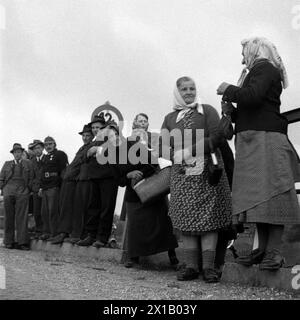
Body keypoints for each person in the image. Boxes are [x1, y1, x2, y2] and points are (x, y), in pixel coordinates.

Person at [217, 37, 300, 270]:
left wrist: (229, 90)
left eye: (244, 53)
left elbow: (252, 97)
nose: (242, 58)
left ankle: (274, 252)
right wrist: (232, 113)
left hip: (266, 138)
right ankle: (263, 250)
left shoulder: (265, 68)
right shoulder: (259, 71)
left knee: (274, 195)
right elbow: (253, 106)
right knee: (260, 199)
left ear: (255, 51)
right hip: (255, 138)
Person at [160, 76, 232, 283]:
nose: (189, 92)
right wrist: (174, 153)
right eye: (184, 89)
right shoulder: (169, 118)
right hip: (182, 173)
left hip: (206, 169)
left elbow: (217, 136)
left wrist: (189, 151)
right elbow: (163, 145)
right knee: (186, 218)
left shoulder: (207, 110)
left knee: (208, 218)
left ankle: (209, 268)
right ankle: (191, 266)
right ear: (177, 92)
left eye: (192, 88)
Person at [97, 121, 179, 268]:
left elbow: (153, 163)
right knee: (135, 227)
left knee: (162, 224)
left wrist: (142, 174)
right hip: (133, 194)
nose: (113, 138)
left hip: (153, 188)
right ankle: (134, 257)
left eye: (115, 134)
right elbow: (117, 180)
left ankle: (173, 258)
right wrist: (129, 175)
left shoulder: (133, 144)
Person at [77, 113, 119, 247]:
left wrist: (98, 150)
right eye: (94, 127)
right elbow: (83, 157)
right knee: (93, 207)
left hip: (109, 178)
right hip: (94, 177)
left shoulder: (112, 138)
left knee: (106, 208)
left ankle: (102, 237)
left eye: (98, 127)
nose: (96, 130)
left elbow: (115, 152)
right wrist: (91, 151)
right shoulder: (93, 142)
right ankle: (91, 235)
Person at [50, 124, 94, 244]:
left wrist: (69, 174)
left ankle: (72, 233)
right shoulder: (82, 148)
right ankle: (64, 232)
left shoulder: (91, 147)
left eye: (88, 135)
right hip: (70, 180)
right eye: (83, 135)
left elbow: (80, 164)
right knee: (66, 207)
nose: (85, 138)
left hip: (77, 180)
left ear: (92, 136)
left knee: (76, 208)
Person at [0, 143, 34, 250]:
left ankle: (22, 242)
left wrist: (28, 190)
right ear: (13, 154)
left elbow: (31, 178)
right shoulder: (7, 164)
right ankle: (8, 241)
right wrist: (4, 190)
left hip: (22, 191)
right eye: (15, 152)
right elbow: (1, 179)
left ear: (22, 153)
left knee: (22, 216)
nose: (17, 154)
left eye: (19, 152)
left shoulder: (28, 164)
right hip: (8, 191)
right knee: (8, 216)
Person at [39, 136, 68, 241]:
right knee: (44, 212)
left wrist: (63, 185)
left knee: (53, 211)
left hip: (54, 186)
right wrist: (41, 187)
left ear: (54, 144)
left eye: (50, 144)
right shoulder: (45, 157)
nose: (48, 146)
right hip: (45, 187)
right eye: (46, 145)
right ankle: (46, 232)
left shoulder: (60, 154)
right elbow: (42, 173)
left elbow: (64, 171)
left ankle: (54, 233)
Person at [29, 139, 46, 239]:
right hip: (35, 190)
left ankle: (46, 231)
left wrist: (42, 187)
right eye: (35, 149)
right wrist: (32, 188)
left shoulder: (47, 159)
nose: (37, 150)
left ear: (42, 148)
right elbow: (31, 176)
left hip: (45, 188)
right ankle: (39, 231)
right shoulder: (32, 161)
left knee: (45, 211)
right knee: (36, 211)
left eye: (39, 148)